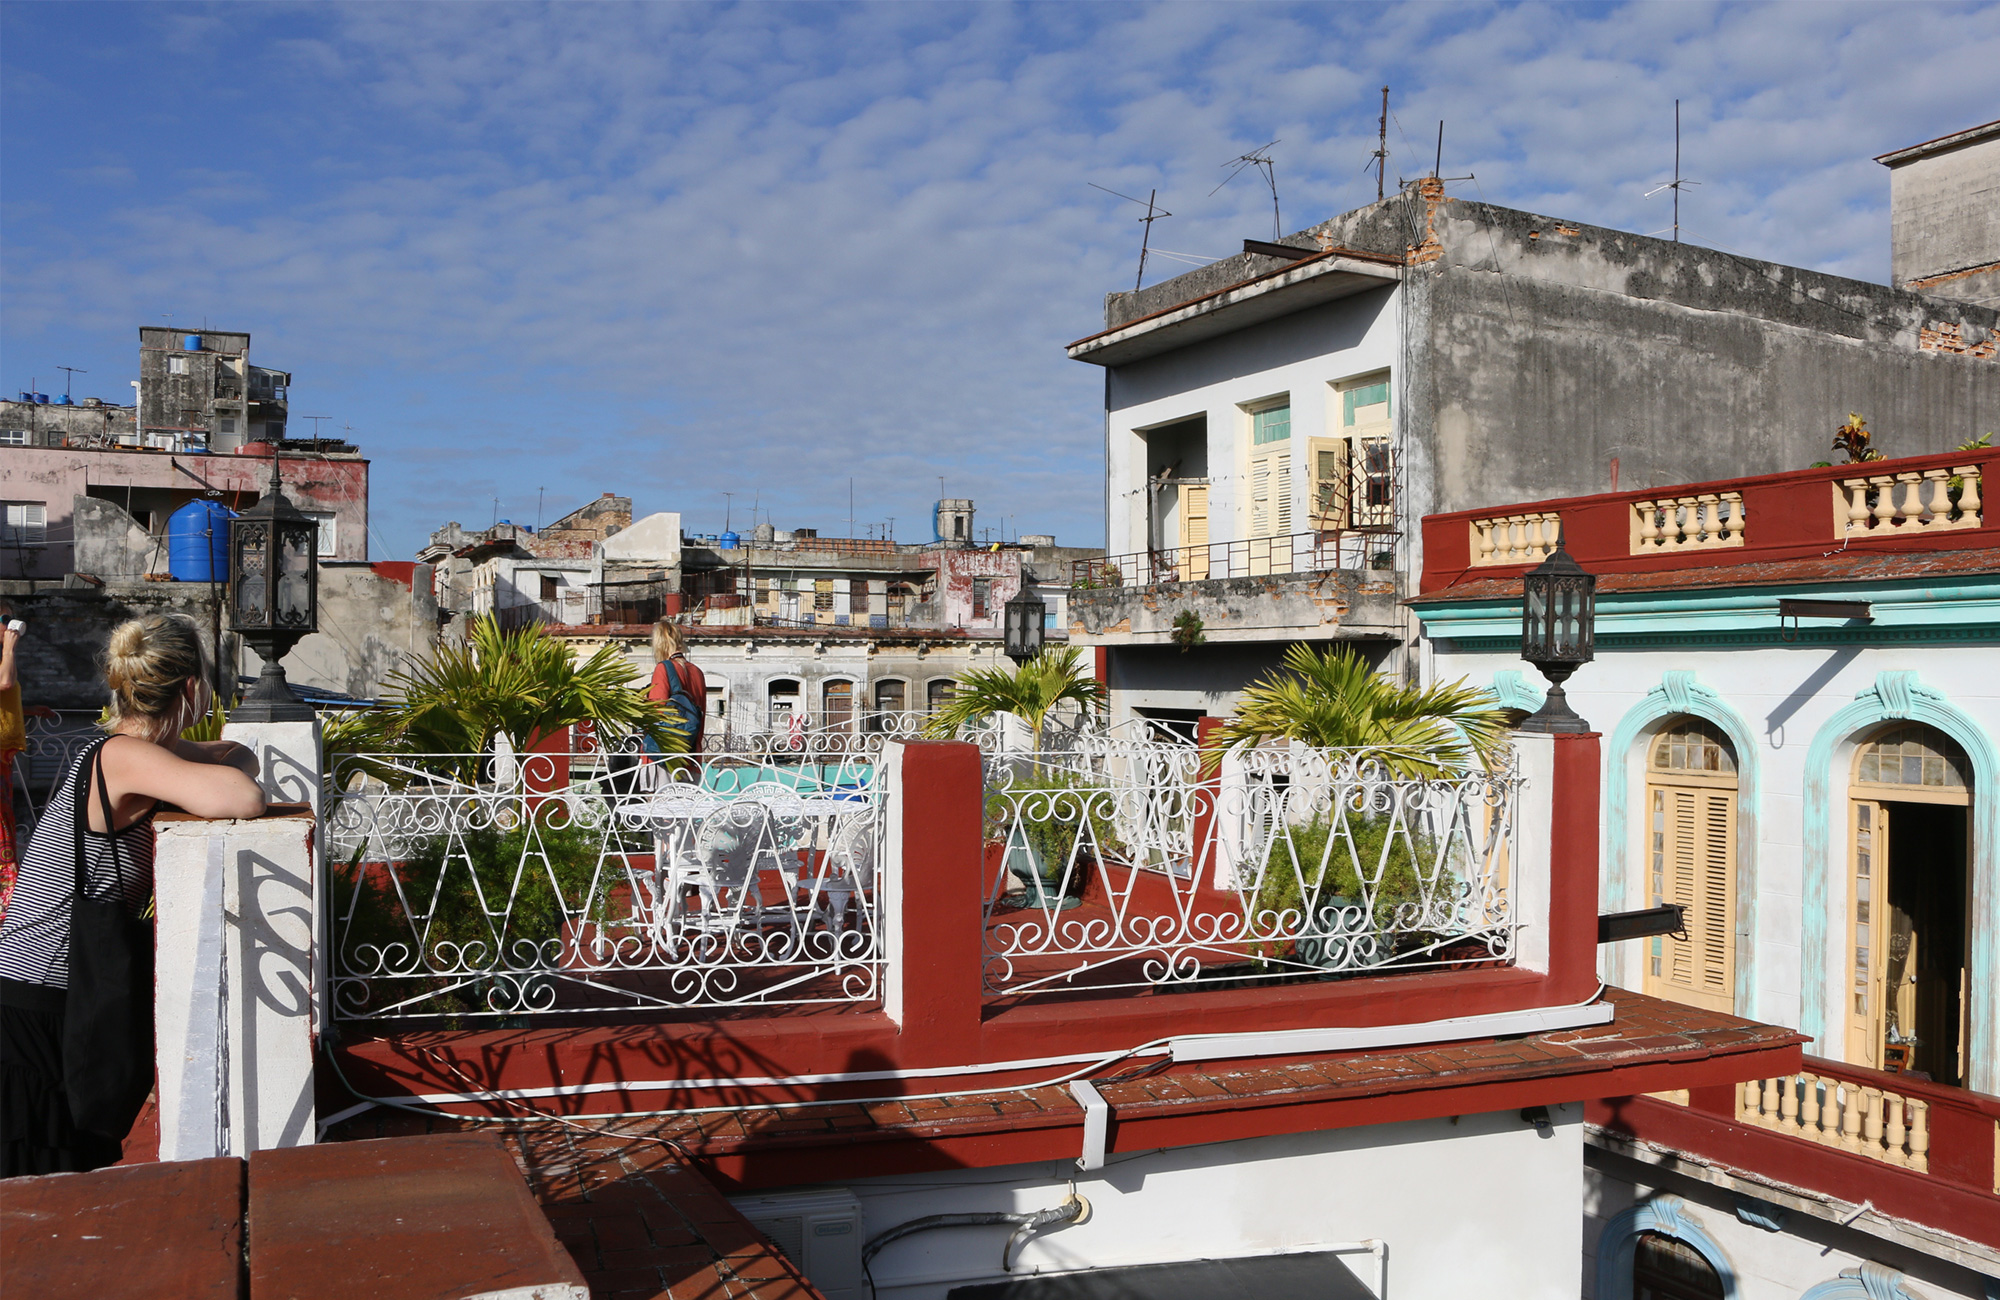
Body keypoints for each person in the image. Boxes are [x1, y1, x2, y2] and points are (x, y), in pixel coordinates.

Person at [0, 614, 265, 1176]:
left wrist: (199, 752)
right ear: (192, 688)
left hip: (44, 993)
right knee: (38, 1186)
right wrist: (209, 757)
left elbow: (237, 755)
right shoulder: (123, 758)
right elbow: (243, 794)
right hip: (35, 1003)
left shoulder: (123, 750)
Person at [0, 605, 57, 918]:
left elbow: (5, 696)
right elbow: (4, 684)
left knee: (5, 823)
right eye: (2, 619)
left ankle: (7, 895)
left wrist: (30, 710)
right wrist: (9, 649)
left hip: (2, 755)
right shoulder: (4, 657)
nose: (8, 625)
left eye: (10, 619)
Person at [648, 618, 707, 762]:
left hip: (665, 757)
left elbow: (657, 710)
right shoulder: (697, 672)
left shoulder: (663, 668)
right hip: (691, 755)